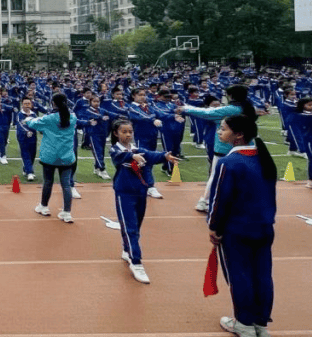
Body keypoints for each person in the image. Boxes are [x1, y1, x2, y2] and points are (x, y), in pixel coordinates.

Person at [208, 113, 277, 337]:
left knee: (240, 275)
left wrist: (214, 227)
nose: (220, 131)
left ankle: (244, 324)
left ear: (238, 135)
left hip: (237, 230)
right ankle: (261, 325)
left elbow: (219, 200)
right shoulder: (264, 159)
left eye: (223, 128)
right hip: (264, 227)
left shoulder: (230, 163)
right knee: (262, 275)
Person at [110, 119, 181, 284]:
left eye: (130, 132)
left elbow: (150, 155)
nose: (128, 135)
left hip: (141, 193)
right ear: (116, 134)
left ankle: (128, 249)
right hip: (124, 193)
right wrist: (131, 155)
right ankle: (136, 262)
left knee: (137, 224)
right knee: (130, 228)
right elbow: (118, 157)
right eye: (124, 132)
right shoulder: (115, 150)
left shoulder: (138, 149)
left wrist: (165, 156)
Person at [183, 85, 261, 211]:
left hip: (225, 147)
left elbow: (206, 113)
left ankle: (205, 201)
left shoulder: (230, 109)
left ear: (231, 96)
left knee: (216, 175)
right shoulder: (248, 108)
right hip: (246, 146)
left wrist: (186, 108)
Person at [26, 93, 78, 223]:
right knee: (66, 185)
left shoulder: (49, 118)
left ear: (53, 103)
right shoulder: (73, 117)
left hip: (50, 156)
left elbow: (33, 124)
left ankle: (44, 207)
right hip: (66, 156)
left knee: (48, 182)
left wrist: (28, 119)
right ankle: (67, 212)